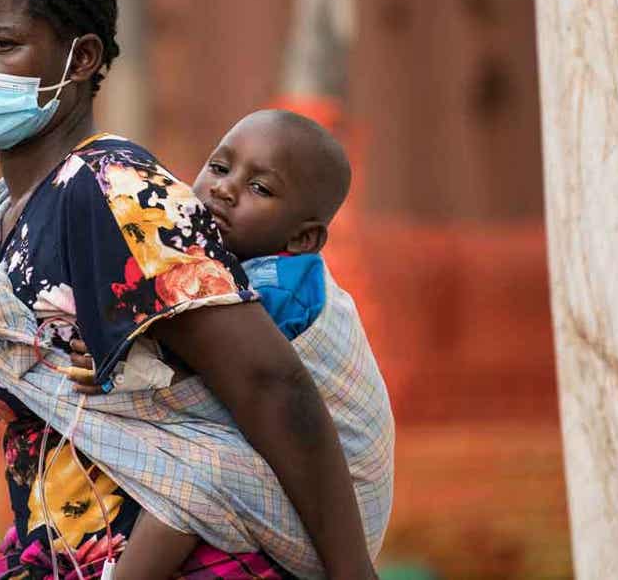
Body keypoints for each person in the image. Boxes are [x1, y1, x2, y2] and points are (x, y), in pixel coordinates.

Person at [0, 0, 374, 579]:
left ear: (83, 58)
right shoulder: (1, 227)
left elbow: (267, 380)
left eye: (0, 42)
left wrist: (353, 572)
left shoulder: (108, 188)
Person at [67, 109, 395, 578]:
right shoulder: (225, 267)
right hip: (282, 467)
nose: (223, 189)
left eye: (259, 188)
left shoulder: (282, 288)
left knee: (193, 480)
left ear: (303, 237)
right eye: (219, 168)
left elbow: (217, 373)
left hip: (339, 497)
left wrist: (126, 349)